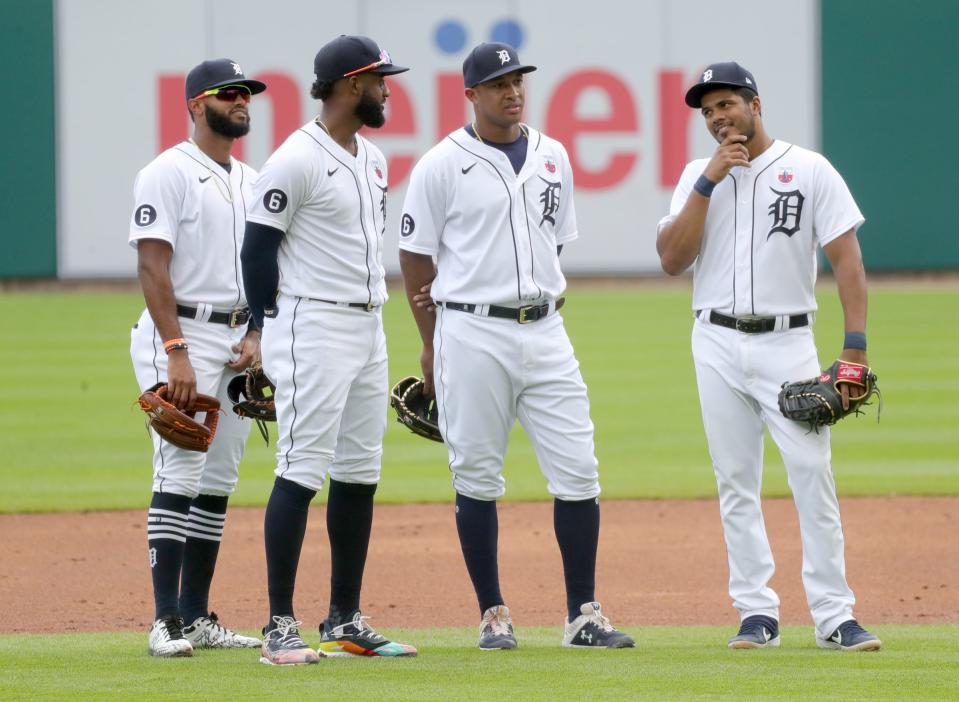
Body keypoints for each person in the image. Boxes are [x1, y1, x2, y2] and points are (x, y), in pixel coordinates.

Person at [398, 42, 635, 651]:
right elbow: (415, 258)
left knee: (579, 469)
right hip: (471, 330)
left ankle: (583, 614)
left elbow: (554, 243)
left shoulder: (553, 155)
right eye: (498, 82)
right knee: (476, 473)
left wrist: (537, 293)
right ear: (471, 94)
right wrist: (431, 346)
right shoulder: (440, 164)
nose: (513, 90)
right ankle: (493, 613)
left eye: (518, 79)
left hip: (546, 328)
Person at [656, 62, 881, 652]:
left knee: (811, 474)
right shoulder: (693, 177)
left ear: (755, 104)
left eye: (726, 104)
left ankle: (835, 615)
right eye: (707, 111)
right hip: (715, 341)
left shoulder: (808, 169)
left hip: (789, 342)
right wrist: (706, 181)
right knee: (735, 480)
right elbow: (672, 259)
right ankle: (756, 613)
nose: (717, 118)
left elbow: (847, 260)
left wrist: (852, 348)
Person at [241, 35, 416, 665]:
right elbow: (257, 247)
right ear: (350, 85)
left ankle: (344, 617)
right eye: (378, 79)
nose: (388, 88)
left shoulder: (371, 158)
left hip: (368, 326)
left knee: (360, 472)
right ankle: (278, 626)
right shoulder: (296, 157)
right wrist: (259, 330)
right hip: (310, 326)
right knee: (301, 468)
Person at [129, 58, 266, 657]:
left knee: (219, 478)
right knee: (179, 468)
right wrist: (175, 352)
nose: (242, 101)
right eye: (228, 93)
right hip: (181, 332)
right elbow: (151, 266)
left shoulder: (252, 179)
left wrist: (259, 335)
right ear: (195, 105)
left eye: (247, 93)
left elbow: (266, 271)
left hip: (237, 341)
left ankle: (195, 618)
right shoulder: (166, 174)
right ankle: (163, 621)